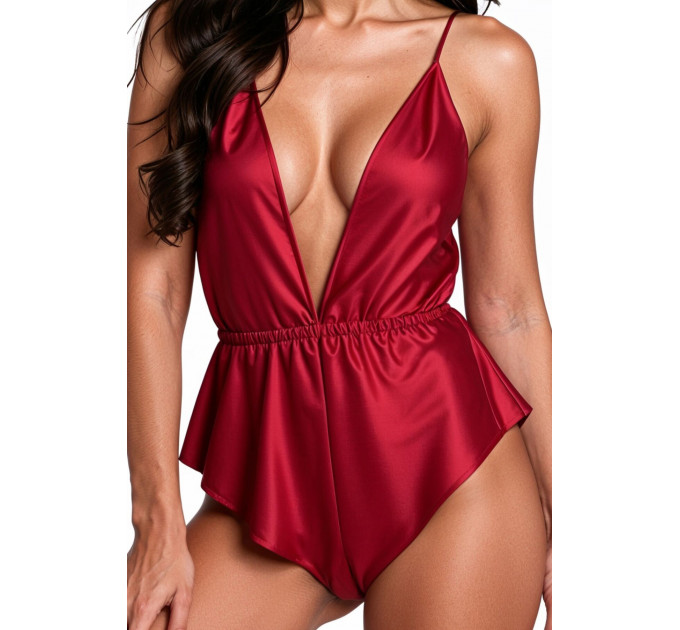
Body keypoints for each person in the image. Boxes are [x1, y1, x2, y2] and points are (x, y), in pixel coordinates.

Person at [127, 1, 552, 628]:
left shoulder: (488, 58)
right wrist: (155, 518)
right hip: (269, 488)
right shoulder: (194, 31)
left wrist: (565, 516)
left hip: (454, 478)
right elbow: (155, 290)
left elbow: (509, 309)